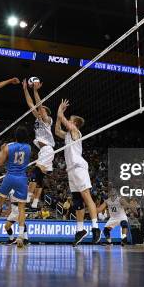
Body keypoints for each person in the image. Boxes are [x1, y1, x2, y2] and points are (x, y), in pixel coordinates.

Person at [55, 99, 101, 246]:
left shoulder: (76, 131)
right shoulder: (68, 135)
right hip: (70, 170)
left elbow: (62, 119)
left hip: (79, 167)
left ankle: (95, 228)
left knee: (86, 196)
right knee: (77, 201)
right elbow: (56, 131)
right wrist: (59, 116)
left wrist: (60, 110)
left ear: (74, 124)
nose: (68, 121)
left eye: (70, 120)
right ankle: (80, 230)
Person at [0, 126, 31, 248]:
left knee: (0, 200)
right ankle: (20, 236)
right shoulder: (29, 148)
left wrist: (2, 150)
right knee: (22, 208)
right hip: (22, 179)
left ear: (15, 136)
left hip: (9, 177)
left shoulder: (8, 147)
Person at [22, 79, 55, 210]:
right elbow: (31, 104)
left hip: (47, 149)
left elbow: (39, 105)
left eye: (43, 110)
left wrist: (35, 90)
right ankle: (35, 203)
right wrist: (25, 89)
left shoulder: (48, 120)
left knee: (36, 171)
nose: (40, 111)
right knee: (40, 178)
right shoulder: (38, 118)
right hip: (43, 151)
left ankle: (28, 196)